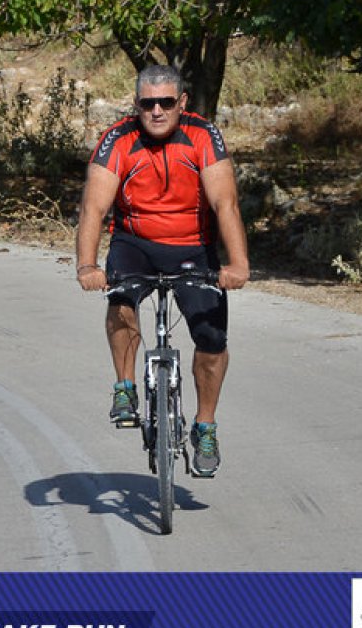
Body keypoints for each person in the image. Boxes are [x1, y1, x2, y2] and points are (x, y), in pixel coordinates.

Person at [74, 64, 249, 478]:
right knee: (120, 299)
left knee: (211, 337)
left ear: (181, 102)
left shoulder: (203, 135)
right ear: (136, 104)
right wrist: (86, 265)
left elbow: (225, 204)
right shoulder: (118, 139)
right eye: (148, 103)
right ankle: (125, 386)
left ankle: (205, 426)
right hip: (135, 243)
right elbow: (93, 208)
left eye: (166, 102)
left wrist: (238, 263)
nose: (156, 111)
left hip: (192, 245)